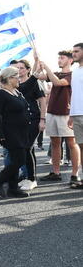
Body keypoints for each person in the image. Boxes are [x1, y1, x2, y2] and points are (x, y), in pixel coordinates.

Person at [37, 50, 81, 184]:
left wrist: (47, 67)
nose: (59, 60)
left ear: (70, 60)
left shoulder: (72, 74)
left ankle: (75, 174)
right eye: (58, 58)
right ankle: (56, 172)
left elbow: (58, 83)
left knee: (71, 143)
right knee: (55, 143)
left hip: (66, 113)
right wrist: (37, 62)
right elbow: (38, 76)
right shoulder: (56, 73)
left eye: (62, 58)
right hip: (51, 112)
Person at [0, 67, 31, 198]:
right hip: (10, 133)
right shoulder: (1, 94)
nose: (19, 78)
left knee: (16, 160)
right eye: (16, 76)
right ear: (9, 78)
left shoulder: (17, 92)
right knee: (19, 160)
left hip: (22, 132)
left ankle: (13, 189)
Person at [16, 59, 47, 191]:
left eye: (22, 68)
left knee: (27, 147)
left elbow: (42, 101)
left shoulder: (35, 83)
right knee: (28, 149)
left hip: (34, 118)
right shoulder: (15, 84)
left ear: (28, 70)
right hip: (20, 121)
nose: (19, 70)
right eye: (17, 68)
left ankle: (32, 179)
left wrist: (42, 119)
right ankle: (29, 176)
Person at [68, 43, 83, 189]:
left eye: (77, 51)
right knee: (82, 147)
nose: (74, 54)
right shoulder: (75, 71)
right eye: (73, 51)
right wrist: (71, 114)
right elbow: (74, 95)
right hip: (77, 114)